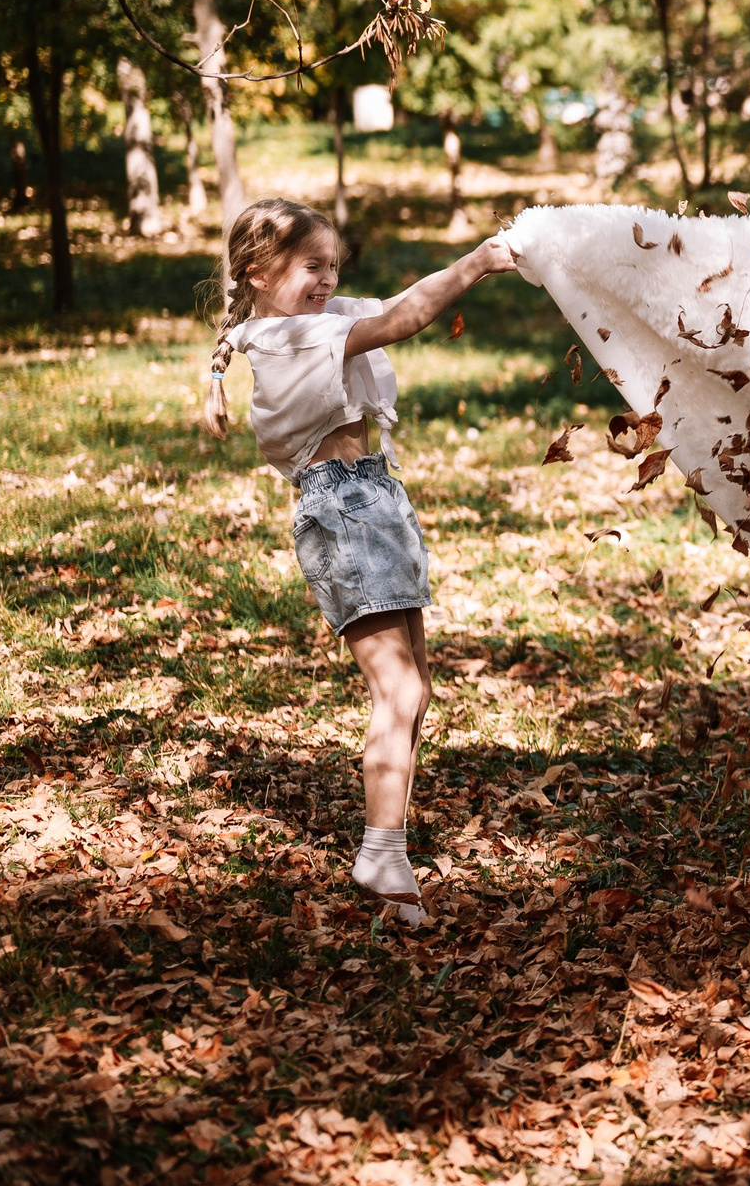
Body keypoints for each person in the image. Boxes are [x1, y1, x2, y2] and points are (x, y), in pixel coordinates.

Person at [200, 199, 520, 928]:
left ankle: (390, 850)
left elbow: (395, 303)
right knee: (398, 688)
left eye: (333, 264)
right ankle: (381, 852)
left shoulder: (306, 320)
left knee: (418, 689)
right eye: (312, 264)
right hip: (341, 510)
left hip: (374, 496)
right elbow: (405, 318)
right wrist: (477, 261)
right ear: (258, 271)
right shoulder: (288, 336)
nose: (327, 277)